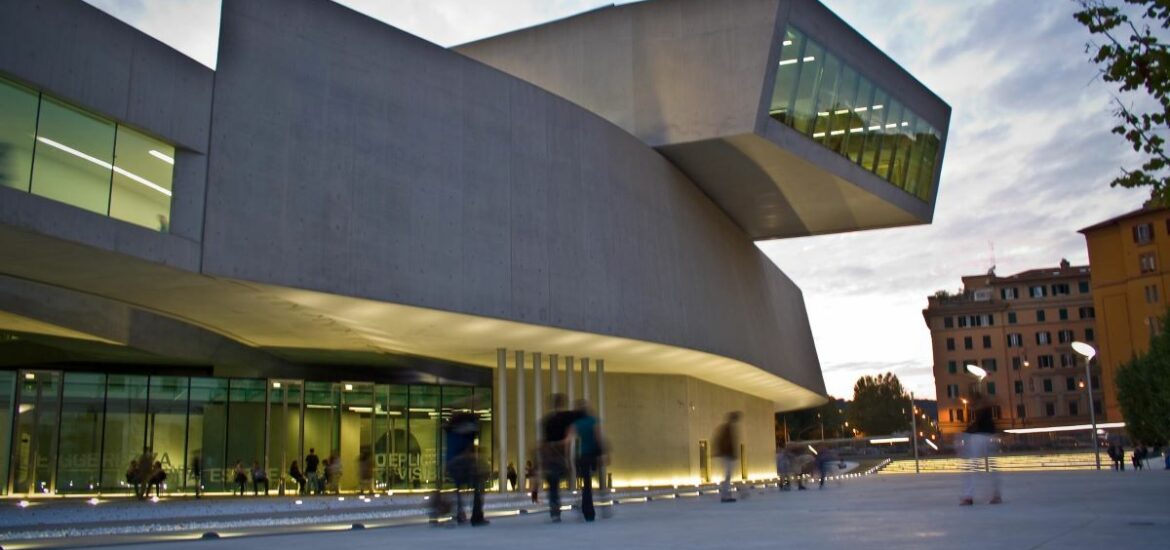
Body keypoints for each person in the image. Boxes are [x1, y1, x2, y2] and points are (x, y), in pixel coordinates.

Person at [540, 393, 582, 522]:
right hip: (562, 455)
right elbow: (580, 415)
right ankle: (578, 504)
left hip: (550, 456)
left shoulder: (546, 420)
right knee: (572, 480)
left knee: (553, 486)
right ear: (563, 403)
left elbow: (544, 441)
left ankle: (555, 512)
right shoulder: (567, 417)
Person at [443, 409, 488, 526]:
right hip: (460, 464)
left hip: (452, 465)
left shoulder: (452, 431)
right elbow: (467, 452)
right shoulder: (465, 432)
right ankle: (476, 515)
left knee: (459, 487)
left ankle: (460, 511)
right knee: (478, 482)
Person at [959, 393, 1001, 506]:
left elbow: (977, 425)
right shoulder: (987, 410)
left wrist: (966, 432)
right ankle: (996, 494)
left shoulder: (981, 410)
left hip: (979, 438)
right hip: (990, 436)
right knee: (992, 468)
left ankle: (969, 496)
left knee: (972, 467)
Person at [573, 400, 605, 522]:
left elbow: (571, 439)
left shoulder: (577, 423)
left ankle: (585, 508)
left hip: (580, 456)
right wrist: (602, 453)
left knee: (585, 483)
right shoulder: (593, 421)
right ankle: (589, 511)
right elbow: (598, 437)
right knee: (588, 483)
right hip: (591, 455)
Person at [713, 411, 741, 503]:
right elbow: (725, 442)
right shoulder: (727, 428)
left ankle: (726, 494)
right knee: (728, 475)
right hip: (727, 455)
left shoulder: (728, 428)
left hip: (727, 454)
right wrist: (730, 453)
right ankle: (725, 495)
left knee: (728, 475)